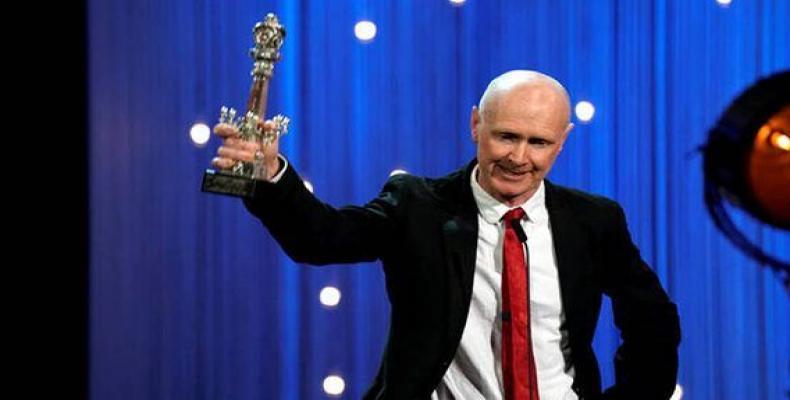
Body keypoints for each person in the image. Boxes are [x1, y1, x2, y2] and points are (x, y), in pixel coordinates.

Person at [212, 70, 681, 400]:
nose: (519, 157)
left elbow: (653, 322)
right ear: (476, 123)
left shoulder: (593, 220)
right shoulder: (417, 205)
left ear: (563, 141)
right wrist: (271, 173)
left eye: (538, 142)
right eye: (505, 136)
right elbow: (321, 238)